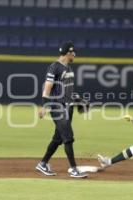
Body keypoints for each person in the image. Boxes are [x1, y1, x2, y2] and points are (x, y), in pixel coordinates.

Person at [36, 41, 88, 178]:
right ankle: (73, 169)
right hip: (57, 107)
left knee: (58, 139)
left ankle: (42, 163)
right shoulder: (54, 67)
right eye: (73, 52)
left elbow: (69, 91)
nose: (75, 54)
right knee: (68, 138)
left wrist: (78, 99)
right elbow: (47, 87)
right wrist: (43, 105)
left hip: (68, 107)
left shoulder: (69, 68)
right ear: (68, 53)